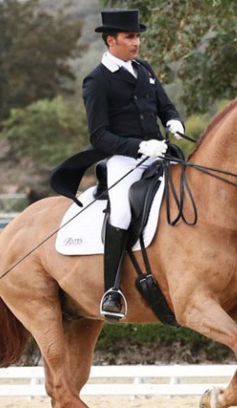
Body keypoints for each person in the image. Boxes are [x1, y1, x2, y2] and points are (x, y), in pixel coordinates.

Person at [83, 9, 184, 320]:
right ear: (111, 40)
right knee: (123, 211)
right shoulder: (97, 81)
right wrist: (138, 146)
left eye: (137, 36)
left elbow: (164, 104)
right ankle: (111, 290)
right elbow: (99, 136)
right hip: (124, 160)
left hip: (158, 153)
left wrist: (173, 119)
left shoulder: (143, 68)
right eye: (129, 37)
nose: (136, 42)